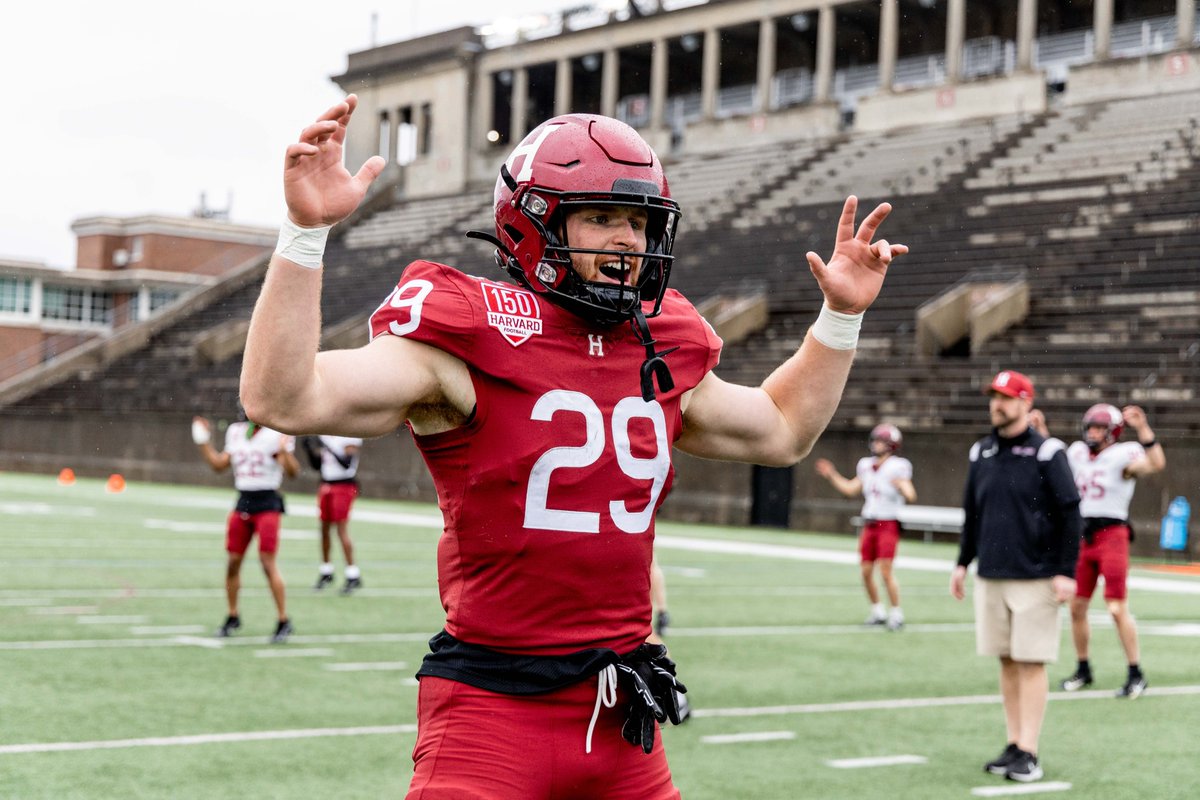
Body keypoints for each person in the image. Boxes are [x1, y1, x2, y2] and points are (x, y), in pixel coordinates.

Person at [240, 95, 905, 798]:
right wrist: (304, 235)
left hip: (622, 716)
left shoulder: (661, 341)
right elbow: (282, 399)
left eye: (640, 222)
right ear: (533, 221)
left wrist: (838, 320)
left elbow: (782, 427)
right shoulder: (470, 329)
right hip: (491, 712)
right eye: (602, 216)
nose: (627, 240)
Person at [950, 370, 1083, 784]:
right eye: (994, 396)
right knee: (1006, 660)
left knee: (1030, 661)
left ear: (1026, 403)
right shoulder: (981, 452)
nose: (998, 404)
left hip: (1036, 576)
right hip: (991, 573)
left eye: (1007, 398)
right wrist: (962, 561)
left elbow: (1070, 514)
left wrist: (1065, 571)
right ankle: (1013, 742)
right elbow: (972, 512)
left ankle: (1030, 749)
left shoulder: (1048, 453)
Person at [1031, 404, 1165, 699]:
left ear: (1113, 432)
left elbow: (1156, 463)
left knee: (1116, 607)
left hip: (1112, 535)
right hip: (1082, 536)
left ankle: (1135, 672)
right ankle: (1083, 668)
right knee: (1077, 607)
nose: (1092, 433)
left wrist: (1143, 428)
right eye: (1090, 427)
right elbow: (1053, 461)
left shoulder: (1123, 455)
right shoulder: (1077, 452)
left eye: (1098, 428)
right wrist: (1039, 429)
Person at [192, 413, 300, 643]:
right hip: (243, 501)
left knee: (267, 563)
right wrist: (203, 442)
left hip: (268, 502)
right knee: (232, 563)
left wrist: (285, 452)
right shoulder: (236, 431)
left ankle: (283, 619)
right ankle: (233, 615)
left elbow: (293, 473)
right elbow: (219, 465)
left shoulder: (278, 432)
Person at [814, 423, 916, 631]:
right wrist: (832, 474)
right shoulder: (866, 465)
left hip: (887, 522)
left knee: (886, 571)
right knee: (866, 571)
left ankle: (896, 613)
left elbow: (911, 494)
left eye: (880, 441)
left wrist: (902, 487)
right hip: (870, 522)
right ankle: (878, 611)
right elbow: (851, 489)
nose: (876, 444)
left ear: (891, 445)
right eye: (875, 440)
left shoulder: (898, 466)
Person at [300, 435, 365, 594]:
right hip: (326, 483)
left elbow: (346, 463)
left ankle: (352, 574)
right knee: (324, 529)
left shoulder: (349, 434)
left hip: (344, 485)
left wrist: (327, 446)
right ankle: (326, 571)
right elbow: (318, 466)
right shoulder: (326, 433)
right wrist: (308, 449)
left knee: (341, 529)